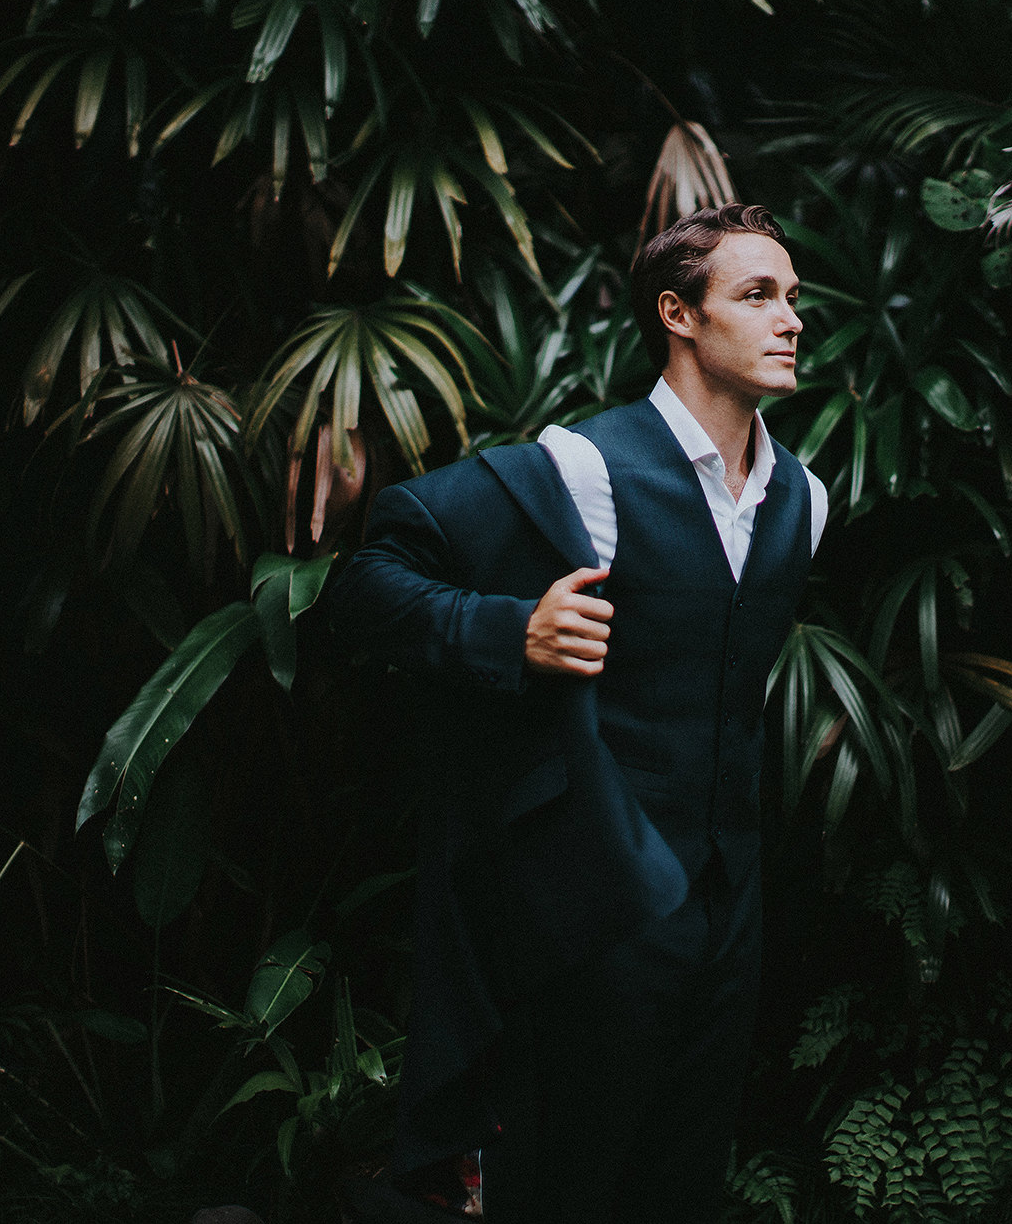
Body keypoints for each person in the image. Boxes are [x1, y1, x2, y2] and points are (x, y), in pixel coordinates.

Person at [333, 203, 826, 1223]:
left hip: (730, 906)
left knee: (681, 1184)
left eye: (792, 297)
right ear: (677, 315)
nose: (790, 319)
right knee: (565, 1181)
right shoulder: (586, 466)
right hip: (593, 892)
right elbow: (369, 578)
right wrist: (510, 628)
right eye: (756, 295)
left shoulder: (805, 499)